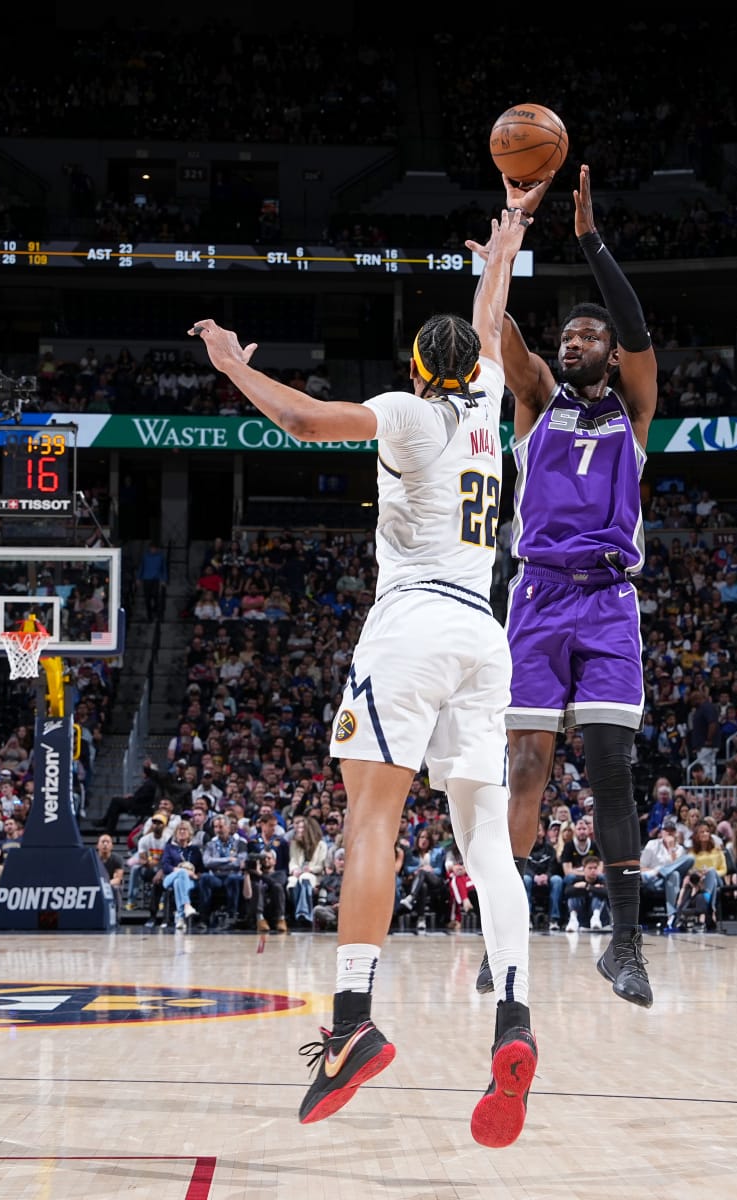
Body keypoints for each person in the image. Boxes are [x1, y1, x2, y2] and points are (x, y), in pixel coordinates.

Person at [193, 192, 536, 1145]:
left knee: (371, 820)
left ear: (417, 371)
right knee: (486, 847)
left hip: (414, 627)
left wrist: (231, 368)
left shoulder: (410, 412)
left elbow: (306, 422)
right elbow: (486, 322)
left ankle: (352, 1023)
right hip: (485, 635)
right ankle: (514, 1015)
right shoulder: (490, 405)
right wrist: (502, 247)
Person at [479, 162, 661, 1010]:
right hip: (538, 595)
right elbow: (502, 334)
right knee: (524, 768)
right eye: (570, 338)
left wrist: (588, 240)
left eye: (587, 338)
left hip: (609, 600)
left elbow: (636, 329)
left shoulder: (634, 410)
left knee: (612, 769)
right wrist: (508, 241)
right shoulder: (534, 402)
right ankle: (501, 935)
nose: (574, 343)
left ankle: (624, 946)